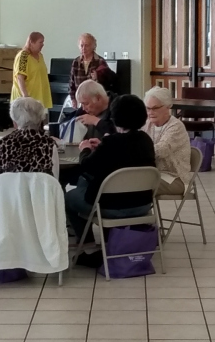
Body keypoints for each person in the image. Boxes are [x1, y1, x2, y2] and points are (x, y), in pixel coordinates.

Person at [66, 94, 156, 240]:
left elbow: (87, 166)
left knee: (69, 197)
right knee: (85, 183)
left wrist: (85, 149)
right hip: (142, 204)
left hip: (111, 206)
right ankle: (110, 239)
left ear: (115, 117)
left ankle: (86, 244)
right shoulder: (146, 140)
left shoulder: (111, 142)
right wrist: (101, 147)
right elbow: (123, 155)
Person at [142, 87, 191, 195]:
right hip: (153, 174)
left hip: (175, 178)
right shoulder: (147, 124)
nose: (150, 112)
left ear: (167, 107)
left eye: (155, 108)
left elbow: (161, 150)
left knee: (136, 184)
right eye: (148, 108)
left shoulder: (176, 126)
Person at [0, 97, 59, 174]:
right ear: (40, 121)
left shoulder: (3, 143)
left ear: (14, 122)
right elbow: (54, 177)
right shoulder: (49, 144)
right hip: (40, 182)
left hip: (9, 182)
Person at [65, 80, 112, 146]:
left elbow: (118, 134)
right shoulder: (84, 110)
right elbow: (69, 120)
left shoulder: (119, 108)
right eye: (81, 104)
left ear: (98, 98)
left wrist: (96, 121)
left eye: (86, 104)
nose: (83, 108)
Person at [12, 32, 53, 107]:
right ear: (31, 42)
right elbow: (20, 77)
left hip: (39, 98)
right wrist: (26, 97)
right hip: (26, 101)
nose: (43, 44)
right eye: (40, 42)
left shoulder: (40, 55)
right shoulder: (23, 56)